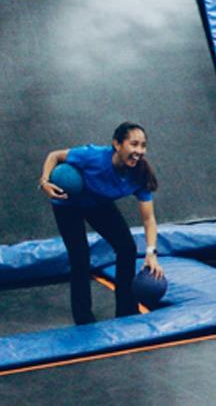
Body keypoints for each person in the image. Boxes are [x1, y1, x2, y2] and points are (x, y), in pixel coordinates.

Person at [39, 122, 164, 324]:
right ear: (117, 144)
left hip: (97, 202)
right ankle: (84, 319)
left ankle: (126, 310)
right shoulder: (93, 156)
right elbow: (55, 155)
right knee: (80, 257)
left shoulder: (140, 175)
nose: (139, 151)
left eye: (142, 146)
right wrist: (45, 182)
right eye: (133, 144)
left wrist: (151, 254)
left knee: (127, 248)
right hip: (67, 203)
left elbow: (149, 219)